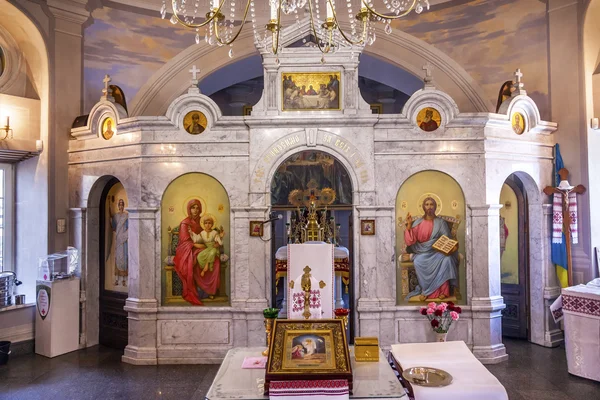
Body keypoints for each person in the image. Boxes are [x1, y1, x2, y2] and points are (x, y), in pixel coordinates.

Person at [404, 197, 458, 301]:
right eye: (427, 204)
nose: (429, 207)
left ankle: (444, 292)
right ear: (423, 207)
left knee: (447, 260)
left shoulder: (440, 222)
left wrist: (447, 246)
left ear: (435, 207)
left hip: (437, 252)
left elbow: (447, 238)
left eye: (431, 204)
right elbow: (410, 241)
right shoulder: (418, 223)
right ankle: (426, 290)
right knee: (419, 261)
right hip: (422, 252)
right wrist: (409, 225)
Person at [173, 199, 222, 305]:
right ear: (188, 209)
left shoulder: (203, 221)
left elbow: (210, 236)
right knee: (193, 261)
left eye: (197, 208)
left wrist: (211, 243)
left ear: (200, 209)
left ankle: (210, 291)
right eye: (192, 208)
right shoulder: (185, 223)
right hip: (188, 249)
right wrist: (199, 245)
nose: (195, 210)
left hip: (204, 248)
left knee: (216, 261)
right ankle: (198, 291)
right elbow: (185, 241)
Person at [109, 198, 128, 286]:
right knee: (117, 258)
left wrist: (124, 236)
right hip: (118, 239)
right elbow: (114, 227)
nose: (120, 206)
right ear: (118, 206)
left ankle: (124, 280)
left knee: (124, 258)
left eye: (122, 204)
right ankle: (116, 279)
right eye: (119, 204)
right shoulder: (116, 216)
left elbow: (128, 227)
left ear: (123, 206)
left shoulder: (126, 216)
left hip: (124, 240)